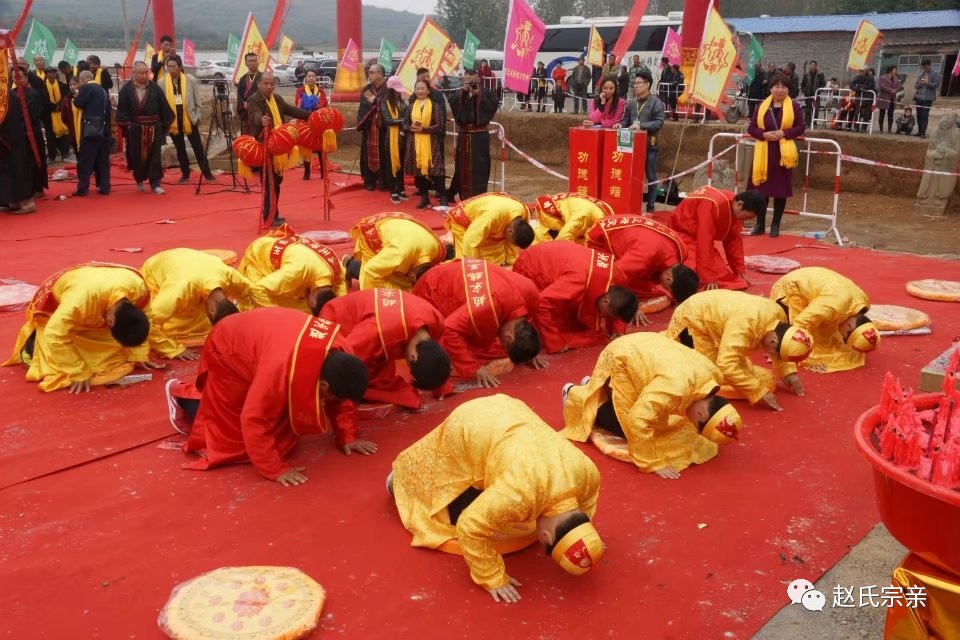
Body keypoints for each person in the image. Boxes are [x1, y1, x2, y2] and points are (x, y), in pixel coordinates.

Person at [389, 395, 603, 603]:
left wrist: (584, 538)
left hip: (508, 408)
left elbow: (587, 504)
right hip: (470, 425)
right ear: (546, 537)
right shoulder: (519, 495)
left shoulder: (588, 474)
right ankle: (396, 481)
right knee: (449, 510)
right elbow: (469, 527)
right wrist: (493, 578)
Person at [170, 307, 375, 484]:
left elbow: (343, 397)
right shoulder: (279, 369)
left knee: (282, 432)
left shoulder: (343, 351)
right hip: (228, 347)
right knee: (233, 442)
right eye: (329, 397)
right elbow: (253, 418)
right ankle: (181, 396)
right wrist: (275, 469)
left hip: (264, 338)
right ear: (323, 385)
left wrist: (348, 436)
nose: (328, 403)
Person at [562, 333, 743, 479]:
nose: (692, 424)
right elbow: (637, 420)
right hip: (620, 356)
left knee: (656, 418)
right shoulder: (675, 390)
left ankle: (598, 385)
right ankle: (576, 394)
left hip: (646, 344)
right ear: (702, 414)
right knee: (628, 429)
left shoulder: (714, 377)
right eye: (697, 426)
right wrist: (653, 463)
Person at [3, 264, 153, 393]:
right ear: (111, 321)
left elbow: (147, 315)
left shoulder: (138, 288)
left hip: (102, 281)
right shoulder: (79, 300)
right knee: (61, 366)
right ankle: (33, 342)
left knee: (110, 360)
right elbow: (54, 334)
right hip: (67, 298)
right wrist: (77, 371)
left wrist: (138, 353)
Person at [664, 290, 813, 412]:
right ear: (772, 342)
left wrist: (788, 373)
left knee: (743, 371)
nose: (771, 356)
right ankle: (671, 341)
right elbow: (726, 364)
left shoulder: (778, 316)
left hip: (717, 316)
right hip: (692, 319)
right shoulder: (746, 325)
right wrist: (758, 391)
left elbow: (784, 340)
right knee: (710, 375)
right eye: (773, 353)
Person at [412, 259, 545, 388]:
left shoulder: (532, 294)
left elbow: (527, 326)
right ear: (509, 337)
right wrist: (474, 368)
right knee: (471, 350)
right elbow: (448, 330)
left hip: (459, 273)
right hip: (430, 289)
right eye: (505, 345)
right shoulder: (487, 307)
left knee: (489, 346)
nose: (502, 344)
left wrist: (529, 348)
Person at [318, 288, 450, 412]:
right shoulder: (376, 333)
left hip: (375, 319)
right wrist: (347, 433)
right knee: (364, 384)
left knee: (397, 389)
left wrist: (440, 386)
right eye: (410, 367)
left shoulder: (436, 321)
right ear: (412, 357)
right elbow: (344, 366)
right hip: (337, 320)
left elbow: (437, 358)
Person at [513, 241, 638, 353]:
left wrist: (618, 329)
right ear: (606, 300)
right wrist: (556, 343)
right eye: (606, 316)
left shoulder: (617, 275)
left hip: (557, 258)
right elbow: (541, 304)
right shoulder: (579, 281)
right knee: (560, 330)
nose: (603, 319)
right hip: (528, 267)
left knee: (584, 325)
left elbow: (621, 300)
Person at [141, 248, 251, 360]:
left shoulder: (231, 276)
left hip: (191, 262)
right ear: (212, 312)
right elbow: (147, 321)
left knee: (200, 325)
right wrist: (172, 350)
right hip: (157, 267)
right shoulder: (177, 291)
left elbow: (248, 295)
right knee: (171, 327)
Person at [769, 267, 878, 374]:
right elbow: (800, 323)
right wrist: (804, 357)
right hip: (789, 287)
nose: (842, 337)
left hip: (813, 282)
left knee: (827, 336)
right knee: (812, 344)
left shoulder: (863, 303)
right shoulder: (831, 307)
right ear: (849, 325)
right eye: (845, 337)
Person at [246, 71, 311, 228]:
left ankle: (274, 212)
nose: (269, 87)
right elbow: (255, 115)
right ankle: (268, 215)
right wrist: (261, 120)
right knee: (268, 182)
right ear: (259, 84)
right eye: (266, 84)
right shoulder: (254, 100)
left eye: (272, 84)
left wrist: (312, 116)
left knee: (277, 181)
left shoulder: (278, 99)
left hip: (280, 147)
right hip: (265, 146)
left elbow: (293, 111)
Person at [585, 214, 699, 303]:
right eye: (668, 287)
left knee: (650, 288)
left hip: (633, 228)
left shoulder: (681, 253)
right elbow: (613, 277)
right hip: (600, 235)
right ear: (669, 279)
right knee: (607, 287)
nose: (664, 287)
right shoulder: (644, 256)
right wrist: (629, 307)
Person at [669, 186, 765, 290]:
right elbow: (704, 241)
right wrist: (708, 278)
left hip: (697, 237)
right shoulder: (711, 204)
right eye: (748, 217)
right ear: (739, 204)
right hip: (680, 234)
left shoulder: (734, 205)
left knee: (729, 279)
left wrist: (739, 271)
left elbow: (733, 240)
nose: (745, 221)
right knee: (694, 278)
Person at [747, 74, 805, 237]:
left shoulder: (794, 107)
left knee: (780, 192)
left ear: (789, 89)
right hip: (764, 153)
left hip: (783, 155)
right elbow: (751, 128)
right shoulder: (761, 106)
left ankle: (775, 225)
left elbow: (800, 127)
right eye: (776, 86)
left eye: (784, 87)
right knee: (761, 192)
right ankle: (760, 224)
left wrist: (784, 133)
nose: (780, 90)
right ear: (771, 88)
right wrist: (763, 134)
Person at [239, 231, 348, 314]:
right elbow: (257, 290)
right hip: (259, 257)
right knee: (258, 309)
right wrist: (278, 317)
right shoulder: (297, 271)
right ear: (313, 301)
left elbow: (340, 295)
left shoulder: (337, 270)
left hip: (293, 252)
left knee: (304, 312)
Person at [343, 212, 446, 291]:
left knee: (400, 280)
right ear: (412, 275)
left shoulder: (435, 251)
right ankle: (350, 265)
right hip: (374, 232)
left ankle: (351, 265)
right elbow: (370, 271)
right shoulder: (398, 253)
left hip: (400, 226)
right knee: (393, 283)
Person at [117, 62, 172, 195]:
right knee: (137, 156)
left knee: (155, 157)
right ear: (133, 73)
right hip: (135, 129)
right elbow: (122, 111)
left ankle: (155, 184)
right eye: (140, 73)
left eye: (145, 72)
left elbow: (164, 108)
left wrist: (164, 126)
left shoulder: (155, 88)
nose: (144, 75)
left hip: (154, 127)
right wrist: (129, 126)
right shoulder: (126, 89)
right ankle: (139, 180)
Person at [447, 68, 499, 202]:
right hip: (464, 135)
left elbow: (493, 105)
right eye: (467, 81)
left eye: (473, 81)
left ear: (479, 80)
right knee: (461, 165)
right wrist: (464, 94)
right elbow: (452, 102)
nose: (470, 84)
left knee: (480, 166)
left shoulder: (487, 93)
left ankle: (479, 196)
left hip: (479, 136)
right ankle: (460, 193)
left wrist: (478, 96)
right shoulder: (459, 93)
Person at [617, 72, 665, 214]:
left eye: (638, 83)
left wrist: (641, 126)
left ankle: (650, 207)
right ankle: (630, 203)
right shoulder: (631, 103)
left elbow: (659, 122)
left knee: (651, 176)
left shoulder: (656, 103)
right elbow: (626, 119)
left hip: (649, 146)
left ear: (647, 84)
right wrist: (620, 124)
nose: (635, 86)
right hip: (631, 146)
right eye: (635, 83)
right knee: (630, 175)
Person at [163, 56, 215, 184]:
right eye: (169, 66)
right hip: (173, 122)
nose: (171, 69)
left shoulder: (189, 81)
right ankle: (185, 174)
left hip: (189, 120)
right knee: (180, 149)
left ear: (180, 67)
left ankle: (207, 173)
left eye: (173, 66)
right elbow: (162, 104)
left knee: (198, 148)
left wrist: (197, 117)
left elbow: (198, 101)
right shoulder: (162, 82)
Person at [445, 192, 534, 266]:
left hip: (491, 211)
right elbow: (470, 240)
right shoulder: (490, 217)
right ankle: (449, 252)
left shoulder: (523, 213)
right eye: (511, 240)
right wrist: (473, 266)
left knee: (496, 259)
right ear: (510, 231)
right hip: (464, 222)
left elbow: (514, 240)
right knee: (467, 261)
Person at [0, 72, 42, 214]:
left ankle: (26, 202)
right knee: (7, 171)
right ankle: (14, 199)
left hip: (11, 139)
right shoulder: (8, 94)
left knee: (18, 169)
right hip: (6, 139)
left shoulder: (7, 96)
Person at [76, 69, 118, 197]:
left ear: (83, 79)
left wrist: (77, 95)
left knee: (85, 160)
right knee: (103, 161)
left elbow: (78, 103)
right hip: (104, 130)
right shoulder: (103, 90)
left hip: (91, 130)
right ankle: (104, 187)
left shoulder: (87, 89)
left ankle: (83, 188)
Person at [405, 78, 446, 209]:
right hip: (415, 143)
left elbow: (439, 126)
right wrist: (410, 127)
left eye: (423, 88)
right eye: (417, 89)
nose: (420, 91)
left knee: (436, 170)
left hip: (431, 142)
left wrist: (424, 129)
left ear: (428, 91)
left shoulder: (435, 106)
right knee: (418, 171)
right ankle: (424, 197)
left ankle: (443, 197)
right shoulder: (410, 107)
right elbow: (404, 125)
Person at [532, 192, 613, 244]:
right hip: (550, 212)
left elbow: (563, 240)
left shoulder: (581, 216)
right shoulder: (579, 217)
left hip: (582, 214)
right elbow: (563, 239)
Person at [376, 76, 408, 202]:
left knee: (401, 165)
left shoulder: (403, 103)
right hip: (391, 139)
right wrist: (404, 121)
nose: (398, 92)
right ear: (390, 90)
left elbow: (406, 117)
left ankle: (401, 189)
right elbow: (389, 120)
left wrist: (404, 122)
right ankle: (394, 190)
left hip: (402, 139)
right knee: (392, 165)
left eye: (399, 90)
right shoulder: (385, 103)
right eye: (396, 90)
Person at [357, 63, 388, 191]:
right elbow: (365, 105)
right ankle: (370, 180)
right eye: (369, 72)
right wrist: (378, 101)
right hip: (370, 128)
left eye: (372, 72)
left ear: (380, 74)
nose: (369, 75)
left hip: (384, 128)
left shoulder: (389, 88)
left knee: (385, 154)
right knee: (367, 153)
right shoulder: (367, 89)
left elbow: (390, 104)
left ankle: (384, 181)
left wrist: (376, 101)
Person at [295, 70, 330, 180]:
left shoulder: (321, 91)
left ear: (316, 78)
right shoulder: (300, 91)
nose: (311, 78)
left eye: (313, 76)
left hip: (318, 122)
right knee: (306, 147)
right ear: (306, 78)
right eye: (309, 76)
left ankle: (323, 172)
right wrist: (310, 104)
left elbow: (323, 103)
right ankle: (307, 172)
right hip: (305, 121)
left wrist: (313, 104)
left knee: (321, 147)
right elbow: (298, 103)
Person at [42, 66, 71, 163]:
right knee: (50, 136)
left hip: (61, 113)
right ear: (46, 74)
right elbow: (42, 100)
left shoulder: (62, 85)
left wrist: (59, 106)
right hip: (48, 115)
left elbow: (66, 97)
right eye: (50, 73)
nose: (52, 74)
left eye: (54, 73)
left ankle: (65, 154)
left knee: (64, 134)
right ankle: (52, 156)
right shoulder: (42, 86)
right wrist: (54, 107)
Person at [235, 52, 263, 135]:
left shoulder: (263, 77)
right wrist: (244, 104)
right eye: (250, 61)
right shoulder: (242, 79)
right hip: (247, 112)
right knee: (247, 135)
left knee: (260, 136)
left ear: (258, 62)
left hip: (260, 111)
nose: (253, 63)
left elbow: (267, 94)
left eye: (255, 60)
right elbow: (239, 96)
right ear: (246, 63)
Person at [913, 59, 941, 139]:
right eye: (923, 68)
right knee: (918, 115)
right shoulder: (922, 74)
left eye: (926, 67)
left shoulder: (935, 74)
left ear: (930, 65)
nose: (925, 69)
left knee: (924, 116)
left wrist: (927, 84)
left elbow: (936, 85)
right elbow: (915, 86)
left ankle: (923, 133)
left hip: (928, 99)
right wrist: (920, 84)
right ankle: (919, 131)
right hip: (919, 98)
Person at [849, 68, 875, 133]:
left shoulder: (870, 78)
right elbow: (852, 86)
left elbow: (871, 86)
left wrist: (861, 87)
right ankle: (856, 127)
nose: (861, 72)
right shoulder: (857, 77)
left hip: (868, 98)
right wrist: (858, 88)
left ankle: (864, 128)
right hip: (859, 98)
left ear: (866, 71)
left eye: (863, 70)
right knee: (857, 113)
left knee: (867, 114)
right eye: (860, 71)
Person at [876, 66, 901, 134]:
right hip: (884, 98)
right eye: (894, 70)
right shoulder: (883, 78)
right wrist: (891, 90)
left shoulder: (896, 78)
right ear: (890, 71)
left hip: (892, 99)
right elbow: (882, 86)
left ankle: (889, 129)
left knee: (890, 114)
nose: (895, 72)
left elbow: (899, 87)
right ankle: (881, 129)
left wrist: (895, 90)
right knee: (882, 113)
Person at [800, 61, 825, 127]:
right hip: (808, 94)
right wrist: (804, 90)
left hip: (816, 94)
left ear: (816, 66)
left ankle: (814, 122)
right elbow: (803, 84)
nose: (812, 67)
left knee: (816, 109)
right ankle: (807, 123)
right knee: (808, 109)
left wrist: (819, 90)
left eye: (813, 66)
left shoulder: (820, 74)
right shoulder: (806, 74)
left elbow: (823, 84)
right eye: (811, 66)